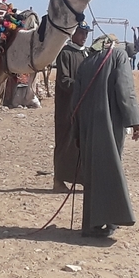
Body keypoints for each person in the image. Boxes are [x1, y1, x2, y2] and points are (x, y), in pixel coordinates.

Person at [71, 36, 139, 238]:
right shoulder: (119, 56)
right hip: (109, 123)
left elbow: (75, 103)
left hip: (86, 125)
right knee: (111, 168)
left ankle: (91, 225)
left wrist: (77, 131)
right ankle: (111, 221)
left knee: (92, 172)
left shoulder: (85, 63)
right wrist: (135, 121)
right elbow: (125, 90)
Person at [53, 22, 91, 191]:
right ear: (73, 34)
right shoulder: (65, 53)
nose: (84, 37)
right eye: (81, 33)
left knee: (81, 144)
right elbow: (63, 81)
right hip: (66, 108)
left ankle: (82, 179)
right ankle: (59, 180)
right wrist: (83, 86)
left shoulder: (87, 54)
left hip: (82, 107)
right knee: (65, 142)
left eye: (86, 33)